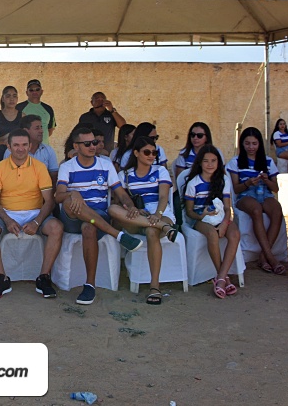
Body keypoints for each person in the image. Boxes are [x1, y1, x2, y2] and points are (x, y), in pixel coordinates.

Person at [54, 126, 145, 305]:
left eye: (95, 142)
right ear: (76, 146)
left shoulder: (105, 164)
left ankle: (90, 285)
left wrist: (131, 205)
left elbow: (120, 192)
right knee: (69, 201)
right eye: (87, 143)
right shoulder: (67, 167)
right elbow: (58, 195)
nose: (93, 146)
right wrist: (74, 194)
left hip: (98, 218)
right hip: (73, 217)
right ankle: (117, 235)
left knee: (89, 226)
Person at [0, 128, 63, 300]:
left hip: (35, 213)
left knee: (56, 227)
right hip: (7, 212)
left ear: (30, 146)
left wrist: (37, 222)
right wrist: (7, 220)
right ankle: (2, 278)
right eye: (16, 145)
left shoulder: (39, 167)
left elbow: (49, 201)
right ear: (9, 147)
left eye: (24, 145)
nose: (20, 149)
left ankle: (44, 277)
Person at [119, 136, 178, 305]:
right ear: (136, 153)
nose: (151, 155)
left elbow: (163, 197)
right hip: (138, 215)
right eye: (147, 152)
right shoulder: (125, 175)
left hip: (160, 212)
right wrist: (133, 209)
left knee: (152, 231)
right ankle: (165, 228)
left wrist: (158, 215)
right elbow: (120, 199)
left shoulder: (160, 171)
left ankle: (154, 286)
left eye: (154, 152)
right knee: (112, 210)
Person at [183, 145, 241, 299]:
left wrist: (224, 224)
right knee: (212, 235)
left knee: (234, 233)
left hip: (221, 216)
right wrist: (202, 216)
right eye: (206, 161)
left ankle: (220, 277)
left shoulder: (223, 180)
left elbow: (228, 208)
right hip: (201, 218)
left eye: (213, 161)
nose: (210, 164)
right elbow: (190, 212)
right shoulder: (193, 183)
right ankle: (223, 278)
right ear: (200, 163)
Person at [227, 127, 285, 276]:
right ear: (242, 144)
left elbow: (275, 188)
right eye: (247, 143)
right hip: (245, 195)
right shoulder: (235, 162)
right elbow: (236, 189)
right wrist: (247, 183)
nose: (251, 147)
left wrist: (266, 180)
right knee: (256, 210)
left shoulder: (268, 161)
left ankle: (263, 256)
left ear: (259, 144)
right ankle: (271, 258)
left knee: (277, 211)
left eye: (254, 143)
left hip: (265, 193)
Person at [19, 114, 59, 186]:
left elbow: (54, 177)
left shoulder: (48, 150)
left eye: (41, 127)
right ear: (25, 131)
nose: (41, 131)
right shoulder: (11, 151)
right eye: (37, 128)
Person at [16, 79, 56, 145]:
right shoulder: (19, 108)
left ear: (42, 91)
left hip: (44, 149)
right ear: (27, 92)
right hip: (25, 149)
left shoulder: (48, 109)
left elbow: (50, 130)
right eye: (31, 90)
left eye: (37, 89)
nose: (34, 92)